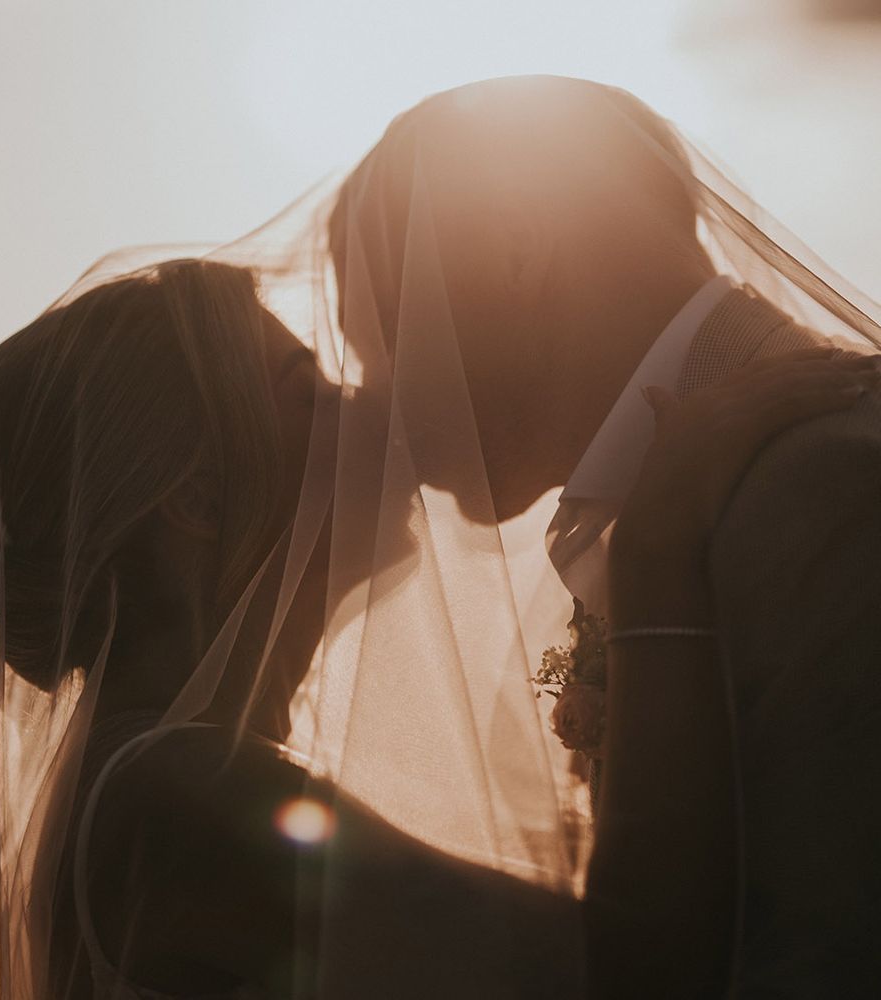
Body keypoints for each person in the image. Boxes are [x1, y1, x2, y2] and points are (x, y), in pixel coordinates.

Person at [0, 76, 878, 1000]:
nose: (375, 405)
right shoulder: (172, 802)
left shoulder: (177, 782)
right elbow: (615, 975)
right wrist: (659, 553)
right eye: (305, 388)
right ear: (190, 501)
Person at [328, 75, 881, 996]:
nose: (376, 399)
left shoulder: (821, 484)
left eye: (387, 335)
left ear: (514, 252)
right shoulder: (693, 498)